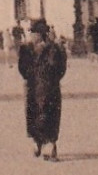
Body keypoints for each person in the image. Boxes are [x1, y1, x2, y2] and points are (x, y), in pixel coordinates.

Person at [17, 18, 68, 161]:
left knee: (49, 115)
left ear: (41, 34)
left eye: (34, 33)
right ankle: (37, 142)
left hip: (49, 88)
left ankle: (50, 146)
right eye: (31, 33)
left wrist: (51, 81)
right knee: (33, 115)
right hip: (32, 87)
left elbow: (59, 69)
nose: (32, 36)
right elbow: (22, 68)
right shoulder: (27, 49)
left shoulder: (53, 49)